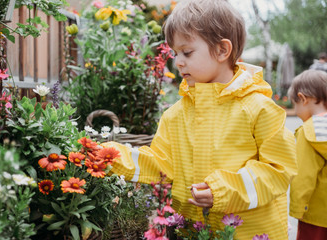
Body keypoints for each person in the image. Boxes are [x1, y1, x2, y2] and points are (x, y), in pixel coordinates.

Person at [103, 0, 297, 239]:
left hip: (249, 233)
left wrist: (223, 190)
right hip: (191, 231)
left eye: (187, 52)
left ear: (222, 50)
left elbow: (278, 169)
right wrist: (110, 156)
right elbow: (160, 164)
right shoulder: (175, 115)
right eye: (175, 53)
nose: (178, 61)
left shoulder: (259, 108)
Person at [288, 69, 327, 239]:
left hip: (316, 216)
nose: (296, 111)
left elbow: (303, 175)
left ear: (303, 99)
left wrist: (297, 209)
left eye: (294, 105)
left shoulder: (308, 132)